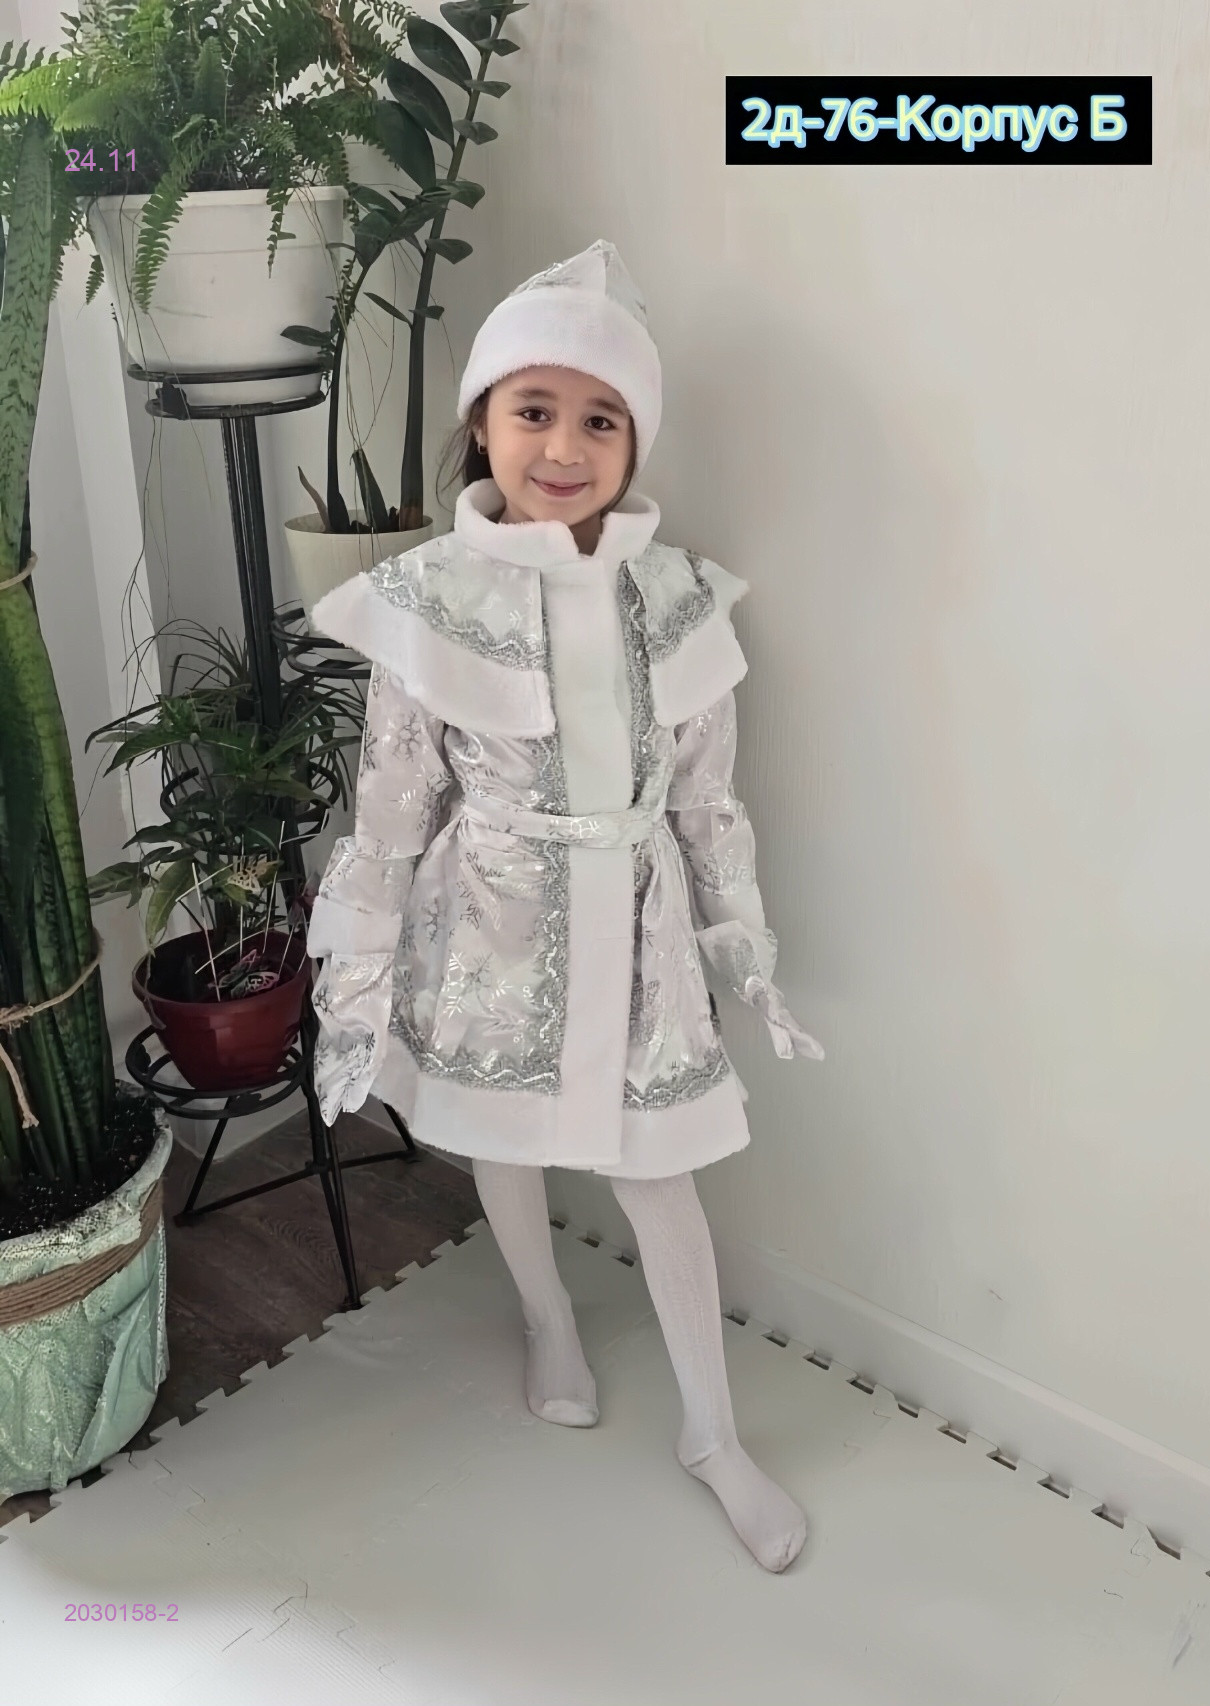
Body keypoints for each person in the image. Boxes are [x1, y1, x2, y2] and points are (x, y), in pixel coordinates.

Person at [306, 238, 825, 1573]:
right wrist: (355, 976)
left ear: (635, 441)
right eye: (535, 408)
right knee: (508, 1136)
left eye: (602, 419)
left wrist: (742, 945)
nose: (564, 445)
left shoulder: (680, 599)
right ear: (483, 419)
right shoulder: (432, 600)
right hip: (494, 927)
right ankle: (546, 1316)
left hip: (641, 937)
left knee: (661, 1175)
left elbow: (709, 800)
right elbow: (391, 802)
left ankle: (714, 1431)